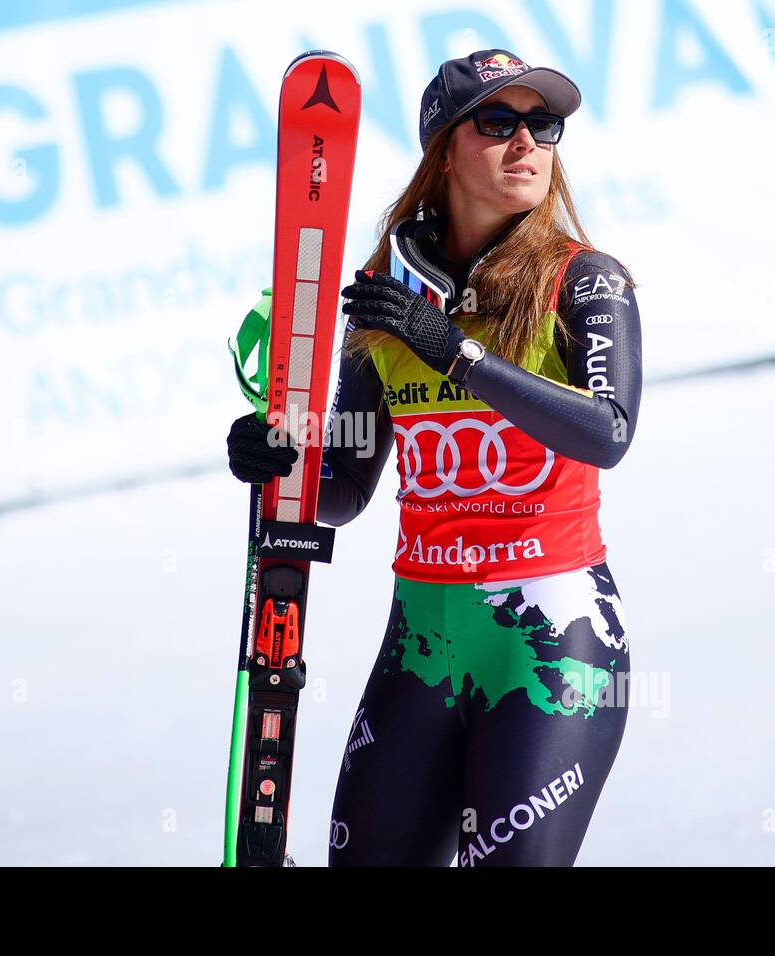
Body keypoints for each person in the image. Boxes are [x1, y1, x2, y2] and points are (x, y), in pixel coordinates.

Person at [226, 49, 642, 866]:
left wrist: (456, 355)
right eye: (498, 123)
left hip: (553, 640)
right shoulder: (388, 292)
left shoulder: (585, 283)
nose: (527, 143)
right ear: (444, 149)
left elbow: (609, 431)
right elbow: (346, 487)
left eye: (543, 125)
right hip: (422, 641)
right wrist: (285, 457)